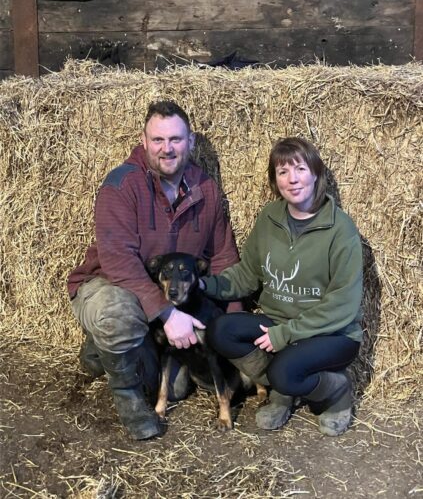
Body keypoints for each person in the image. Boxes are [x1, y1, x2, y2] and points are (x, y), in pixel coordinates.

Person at [68, 100, 241, 440]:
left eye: (175, 139)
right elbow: (118, 260)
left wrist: (233, 329)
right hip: (110, 286)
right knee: (119, 313)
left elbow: (223, 259)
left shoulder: (205, 189)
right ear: (144, 141)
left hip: (166, 297)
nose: (167, 149)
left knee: (175, 389)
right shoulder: (121, 184)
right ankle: (130, 404)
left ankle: (100, 350)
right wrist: (166, 313)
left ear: (190, 142)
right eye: (158, 140)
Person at [201, 137, 363, 437]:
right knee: (220, 331)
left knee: (283, 372)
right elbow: (247, 275)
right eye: (282, 172)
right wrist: (204, 285)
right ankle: (285, 389)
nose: (292, 179)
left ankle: (335, 391)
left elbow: (343, 304)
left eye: (300, 168)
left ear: (316, 172)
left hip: (331, 333)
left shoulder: (341, 230)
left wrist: (285, 334)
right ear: (275, 181)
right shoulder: (269, 218)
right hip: (279, 322)